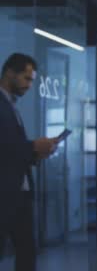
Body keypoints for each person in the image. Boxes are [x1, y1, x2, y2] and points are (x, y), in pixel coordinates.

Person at [0, 53, 58, 271]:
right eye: (26, 78)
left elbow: (13, 148)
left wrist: (37, 153)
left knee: (27, 252)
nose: (30, 85)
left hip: (19, 195)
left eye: (32, 80)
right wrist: (33, 146)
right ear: (9, 73)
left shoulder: (11, 105)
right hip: (5, 195)